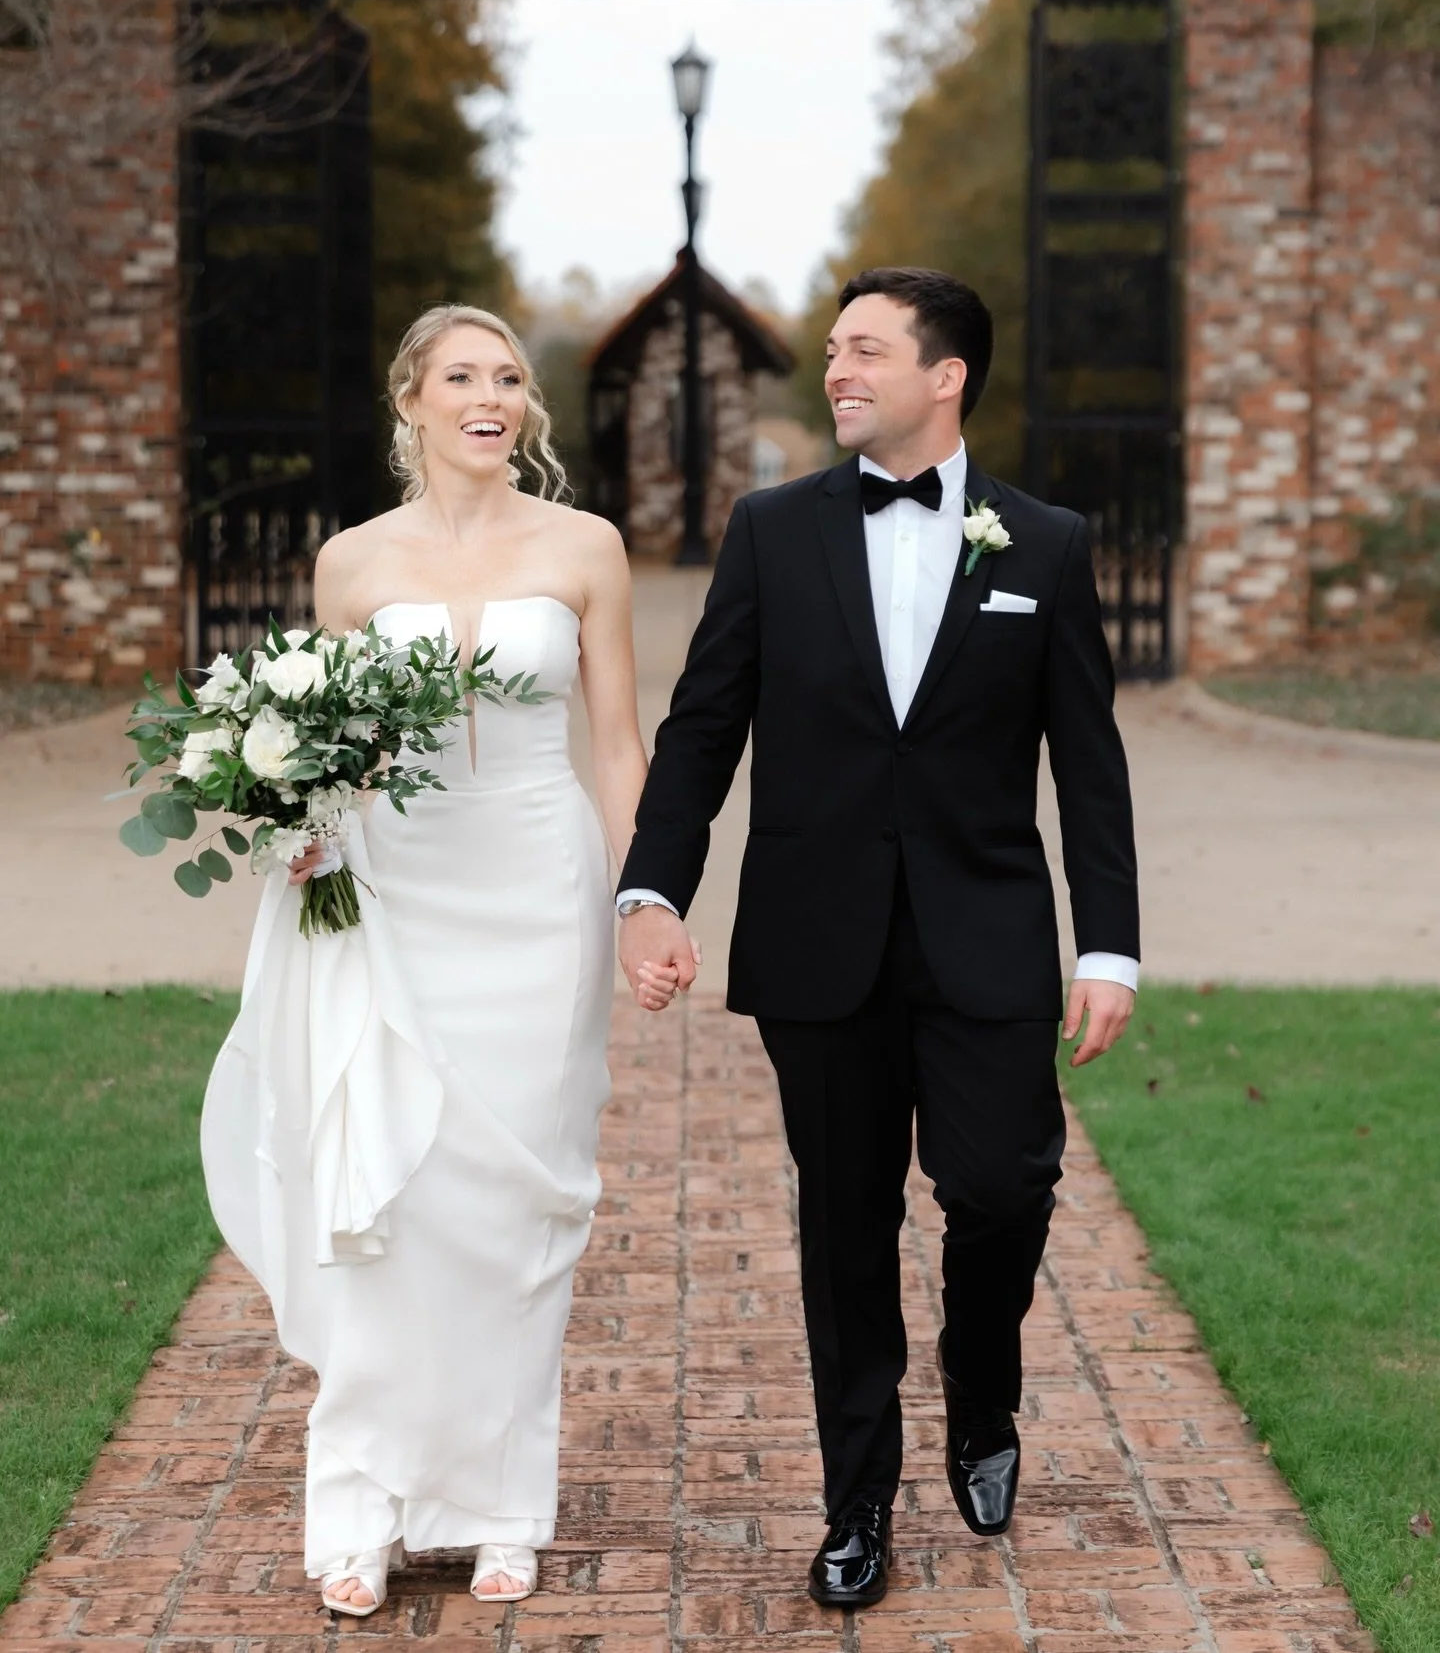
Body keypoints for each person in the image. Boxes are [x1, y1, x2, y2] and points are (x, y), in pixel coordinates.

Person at [616, 267, 1140, 1608]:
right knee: (843, 1228)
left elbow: (1088, 763)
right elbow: (702, 728)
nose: (837, 372)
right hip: (818, 940)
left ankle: (985, 1398)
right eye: (836, 351)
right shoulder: (772, 530)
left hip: (990, 938)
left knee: (1004, 1188)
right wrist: (651, 890)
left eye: (864, 351)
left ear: (944, 372)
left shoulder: (1046, 543)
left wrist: (1109, 946)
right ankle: (856, 1501)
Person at [201, 304, 680, 1616]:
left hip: (539, 899)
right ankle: (358, 1503)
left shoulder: (586, 548)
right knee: (388, 1191)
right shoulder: (351, 564)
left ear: (528, 407)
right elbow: (329, 743)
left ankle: (500, 1505)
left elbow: (623, 743)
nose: (492, 395)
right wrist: (298, 821)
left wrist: (647, 893)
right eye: (462, 375)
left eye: (511, 377)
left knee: (519, 1209)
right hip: (395, 895)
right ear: (410, 398)